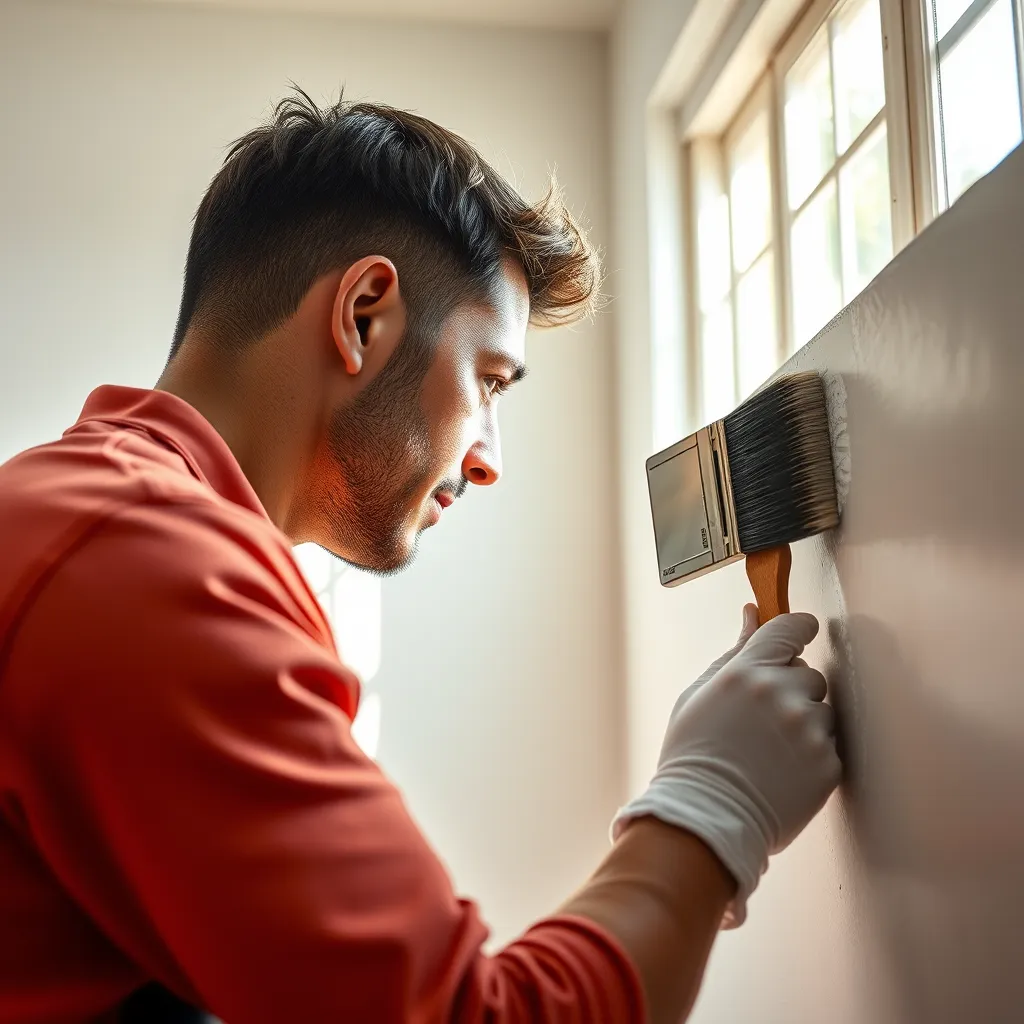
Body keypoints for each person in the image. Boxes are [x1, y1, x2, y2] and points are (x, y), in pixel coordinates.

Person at [0, 90, 841, 1024]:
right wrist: (709, 807)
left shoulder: (82, 520)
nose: (489, 458)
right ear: (365, 315)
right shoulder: (148, 567)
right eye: (489, 379)